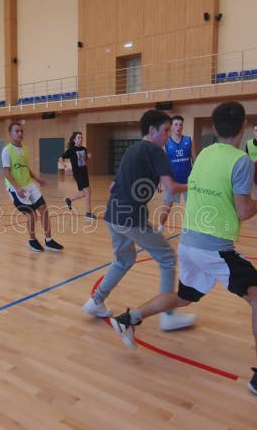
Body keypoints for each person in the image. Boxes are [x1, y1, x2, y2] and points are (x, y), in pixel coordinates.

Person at [108, 102, 257, 397]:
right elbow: (245, 211)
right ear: (244, 126)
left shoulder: (205, 154)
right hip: (214, 249)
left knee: (185, 297)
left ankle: (128, 319)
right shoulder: (241, 161)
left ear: (215, 127)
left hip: (189, 242)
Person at [82, 109, 196, 331]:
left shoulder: (131, 149)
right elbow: (171, 187)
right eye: (165, 130)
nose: (167, 135)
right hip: (131, 217)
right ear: (152, 130)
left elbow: (113, 185)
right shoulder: (156, 152)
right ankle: (168, 315)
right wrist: (196, 185)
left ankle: (95, 301)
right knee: (167, 257)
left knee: (123, 260)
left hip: (112, 214)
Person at [2, 122, 64, 252]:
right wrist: (18, 188)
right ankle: (32, 240)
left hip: (29, 184)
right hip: (15, 188)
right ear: (10, 134)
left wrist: (37, 179)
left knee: (44, 209)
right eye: (17, 131)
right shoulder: (7, 151)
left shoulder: (25, 149)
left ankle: (49, 240)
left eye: (21, 131)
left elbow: (26, 168)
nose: (20, 133)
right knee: (31, 215)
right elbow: (6, 172)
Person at [157, 115, 196, 233]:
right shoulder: (167, 143)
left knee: (193, 208)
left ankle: (192, 229)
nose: (178, 127)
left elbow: (196, 160)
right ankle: (160, 227)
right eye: (176, 124)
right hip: (172, 182)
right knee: (166, 208)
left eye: (180, 125)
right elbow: (162, 165)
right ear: (171, 127)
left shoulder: (188, 140)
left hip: (188, 182)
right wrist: (159, 182)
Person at [60, 131, 96, 220]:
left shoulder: (84, 149)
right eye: (79, 138)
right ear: (74, 139)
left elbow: (83, 160)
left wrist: (88, 157)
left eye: (81, 138)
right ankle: (88, 213)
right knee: (88, 192)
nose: (80, 139)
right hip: (78, 174)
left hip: (84, 172)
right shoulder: (71, 150)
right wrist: (65, 166)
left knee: (85, 193)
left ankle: (69, 200)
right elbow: (61, 159)